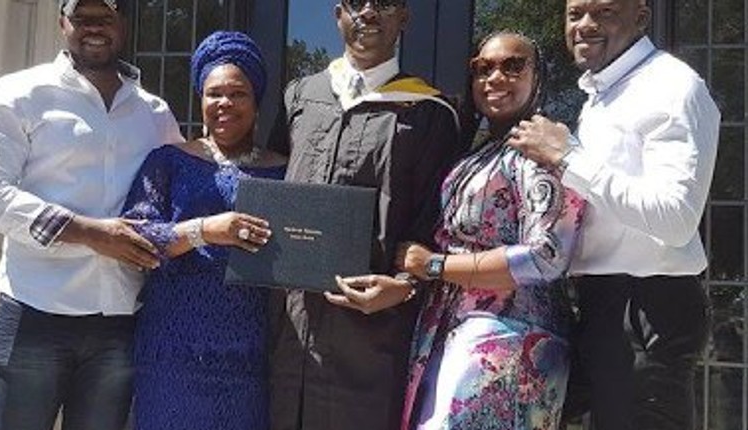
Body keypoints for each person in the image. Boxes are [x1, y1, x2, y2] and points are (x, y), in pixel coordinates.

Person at [0, 0, 183, 429]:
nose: (94, 28)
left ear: (124, 23)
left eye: (106, 17)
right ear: (62, 23)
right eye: (82, 17)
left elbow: (182, 190)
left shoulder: (154, 114)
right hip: (34, 315)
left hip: (119, 322)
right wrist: (90, 233)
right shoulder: (20, 93)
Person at [506, 1, 720, 429]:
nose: (584, 26)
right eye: (575, 14)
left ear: (641, 16)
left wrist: (568, 157)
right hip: (601, 304)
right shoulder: (604, 93)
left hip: (646, 307)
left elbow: (676, 217)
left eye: (603, 12)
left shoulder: (670, 86)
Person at [267, 1, 462, 429]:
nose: (369, 12)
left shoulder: (430, 113)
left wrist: (407, 286)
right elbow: (271, 182)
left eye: (385, 3)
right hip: (291, 329)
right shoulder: (301, 96)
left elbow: (439, 224)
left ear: (404, 18)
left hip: (371, 337)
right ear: (338, 14)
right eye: (357, 3)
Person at [394, 31, 586, 430]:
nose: (494, 77)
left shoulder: (540, 151)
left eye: (513, 66)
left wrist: (434, 266)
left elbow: (546, 254)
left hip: (511, 341)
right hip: (458, 329)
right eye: (483, 69)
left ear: (539, 77)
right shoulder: (484, 150)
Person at [120, 31, 286, 430]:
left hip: (251, 353)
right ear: (200, 98)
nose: (224, 103)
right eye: (214, 93)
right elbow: (135, 239)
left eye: (238, 93)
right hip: (172, 348)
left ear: (256, 99)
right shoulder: (169, 161)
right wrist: (205, 231)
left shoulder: (284, 171)